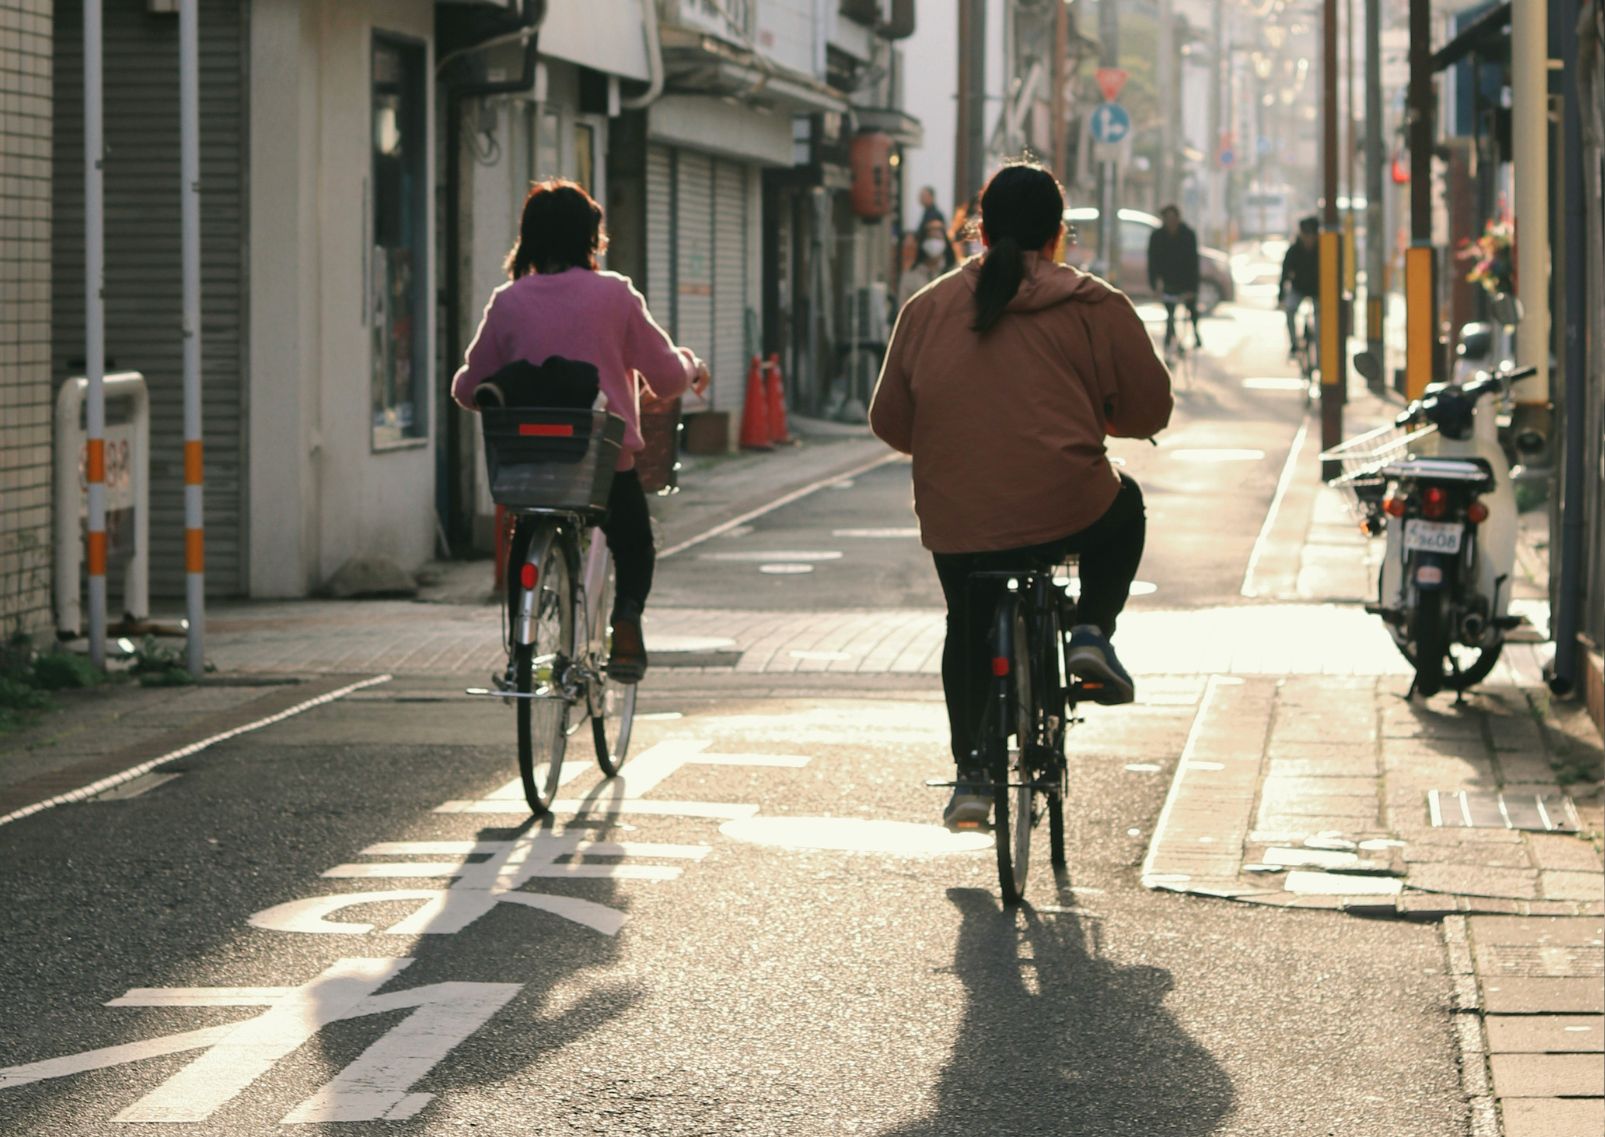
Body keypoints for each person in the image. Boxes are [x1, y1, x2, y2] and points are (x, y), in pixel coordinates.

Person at [868, 160, 1173, 830]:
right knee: (1126, 508)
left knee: (965, 624)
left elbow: (890, 422)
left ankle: (973, 775)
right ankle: (1092, 629)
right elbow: (1149, 410)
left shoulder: (927, 309)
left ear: (977, 230)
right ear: (1058, 234)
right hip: (1069, 502)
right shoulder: (1094, 304)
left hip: (959, 516)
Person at [452, 178, 710, 683]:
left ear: (528, 238)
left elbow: (468, 387)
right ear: (590, 240)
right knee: (634, 542)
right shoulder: (614, 295)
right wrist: (692, 365)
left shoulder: (508, 302)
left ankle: (522, 652)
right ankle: (627, 620)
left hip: (527, 465)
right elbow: (664, 376)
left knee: (526, 531)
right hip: (600, 461)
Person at [1147, 205, 1202, 351]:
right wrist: (1155, 286)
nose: (1170, 222)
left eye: (1173, 218)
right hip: (1167, 281)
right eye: (1167, 219)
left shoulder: (1188, 235)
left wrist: (1192, 289)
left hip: (1185, 281)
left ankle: (1196, 334)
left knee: (1192, 308)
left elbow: (1193, 264)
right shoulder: (1157, 237)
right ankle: (1170, 338)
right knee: (1169, 312)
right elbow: (1152, 263)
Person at [1280, 216, 1321, 358]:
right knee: (1289, 310)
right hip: (1298, 289)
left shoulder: (1323, 250)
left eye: (1312, 235)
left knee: (1320, 323)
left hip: (1318, 291)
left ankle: (1320, 353)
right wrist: (1281, 296)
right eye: (1306, 235)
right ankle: (1294, 344)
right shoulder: (1294, 250)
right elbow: (1284, 273)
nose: (1309, 239)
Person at [897, 217, 959, 308]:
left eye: (938, 238)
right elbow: (903, 306)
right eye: (930, 238)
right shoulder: (910, 276)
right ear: (922, 243)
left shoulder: (955, 273)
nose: (934, 243)